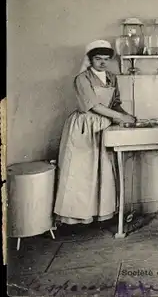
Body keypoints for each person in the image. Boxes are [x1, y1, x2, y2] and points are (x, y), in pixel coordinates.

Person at [54, 40, 136, 225]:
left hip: (104, 126)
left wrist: (127, 116)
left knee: (103, 170)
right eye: (98, 59)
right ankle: (74, 218)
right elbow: (94, 105)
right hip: (85, 127)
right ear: (90, 60)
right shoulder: (82, 78)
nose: (102, 63)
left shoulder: (112, 78)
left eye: (106, 59)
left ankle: (102, 214)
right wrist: (121, 118)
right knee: (82, 171)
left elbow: (115, 103)